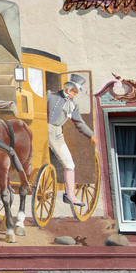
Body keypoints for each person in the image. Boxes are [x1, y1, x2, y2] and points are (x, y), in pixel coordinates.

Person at [47, 74, 96, 207]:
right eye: (73, 90)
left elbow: (79, 122)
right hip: (46, 129)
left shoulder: (73, 105)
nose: (75, 93)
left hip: (58, 133)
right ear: (67, 88)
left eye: (77, 91)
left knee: (70, 164)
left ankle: (70, 195)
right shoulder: (51, 96)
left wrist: (91, 135)